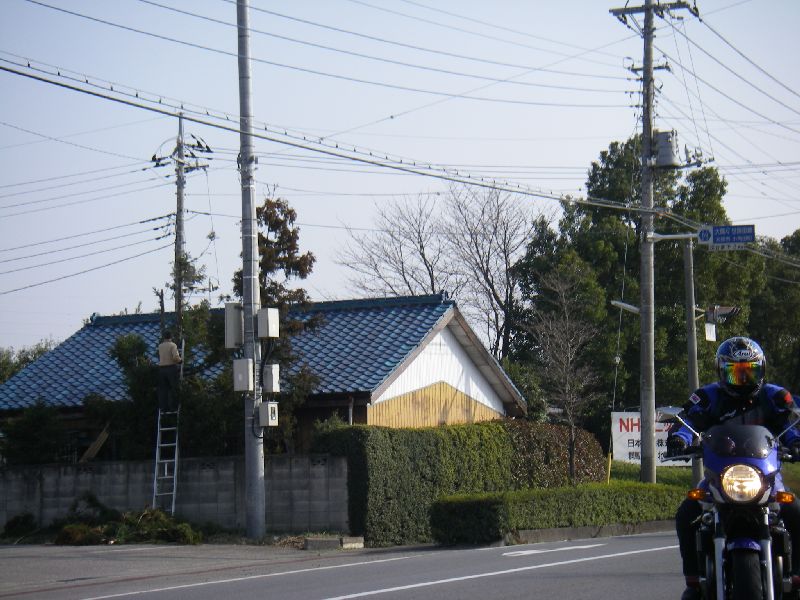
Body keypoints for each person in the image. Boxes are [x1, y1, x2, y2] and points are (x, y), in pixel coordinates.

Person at [666, 336, 800, 600]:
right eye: (735, 372)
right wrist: (679, 439)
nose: (743, 379)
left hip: (766, 477)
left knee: (795, 510)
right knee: (686, 513)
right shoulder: (708, 397)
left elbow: (791, 423)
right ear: (721, 370)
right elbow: (688, 420)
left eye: (749, 371)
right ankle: (694, 579)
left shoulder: (774, 396)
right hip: (720, 477)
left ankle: (795, 575)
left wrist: (796, 442)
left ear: (761, 369)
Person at [157, 330, 182, 412]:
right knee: (174, 388)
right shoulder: (172, 345)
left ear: (164, 337)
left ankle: (163, 408)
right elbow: (175, 357)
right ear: (171, 337)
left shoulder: (160, 346)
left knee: (163, 389)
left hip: (161, 369)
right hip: (171, 368)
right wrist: (180, 361)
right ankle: (173, 407)